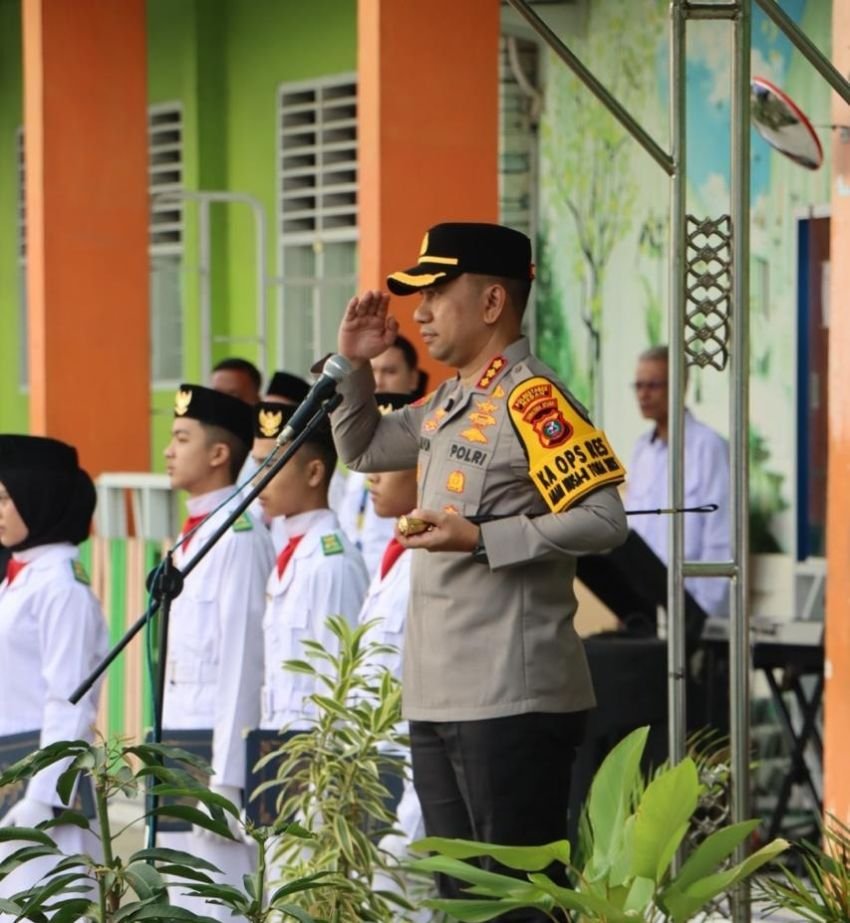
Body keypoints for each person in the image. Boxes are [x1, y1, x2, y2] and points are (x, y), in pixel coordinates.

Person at [330, 222, 628, 918]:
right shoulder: (448, 401)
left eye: (437, 292)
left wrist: (483, 537)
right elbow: (363, 448)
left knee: (517, 904)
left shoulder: (534, 399)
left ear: (493, 302)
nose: (421, 312)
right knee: (460, 903)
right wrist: (353, 364)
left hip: (510, 696)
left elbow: (604, 519)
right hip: (439, 694)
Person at [161, 384, 274, 918]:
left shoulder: (239, 534)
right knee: (181, 896)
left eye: (182, 438)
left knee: (217, 900)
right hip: (180, 742)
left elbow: (243, 662)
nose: (168, 451)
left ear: (219, 453)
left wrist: (229, 778)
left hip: (214, 751)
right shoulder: (194, 533)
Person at [0, 435, 108, 910]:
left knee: (48, 907)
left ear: (36, 497)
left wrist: (42, 795)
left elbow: (70, 697)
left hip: (44, 789)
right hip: (12, 777)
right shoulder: (22, 576)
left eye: (6, 498)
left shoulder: (62, 587)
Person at [250, 400, 368, 735]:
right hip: (278, 738)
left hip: (316, 750)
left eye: (272, 464)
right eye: (258, 465)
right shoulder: (291, 554)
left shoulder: (332, 563)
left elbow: (340, 686)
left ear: (314, 473)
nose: (258, 480)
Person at [354, 392, 429, 919]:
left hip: (412, 787)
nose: (371, 475)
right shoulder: (395, 557)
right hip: (372, 781)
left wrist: (412, 820)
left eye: (388, 460)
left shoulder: (433, 564)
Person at [626, 345, 730, 620]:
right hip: (644, 608)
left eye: (653, 385)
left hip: (692, 607)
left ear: (680, 386)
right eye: (638, 386)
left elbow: (722, 535)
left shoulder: (708, 447)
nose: (643, 395)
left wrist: (704, 613)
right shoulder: (642, 450)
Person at [337, 337, 424, 575]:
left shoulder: (426, 434)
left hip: (405, 567)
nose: (379, 382)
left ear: (413, 378)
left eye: (390, 371)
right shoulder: (358, 443)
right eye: (372, 372)